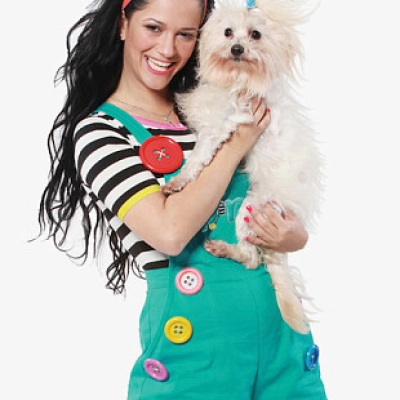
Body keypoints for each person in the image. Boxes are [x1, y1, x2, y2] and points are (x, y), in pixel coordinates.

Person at [38, 0, 327, 398]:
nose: (168, 49)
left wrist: (293, 236)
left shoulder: (209, 99)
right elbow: (171, 233)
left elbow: (280, 192)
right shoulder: (101, 132)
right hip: (194, 346)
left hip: (281, 339)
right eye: (154, 28)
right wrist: (240, 138)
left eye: (186, 34)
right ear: (123, 22)